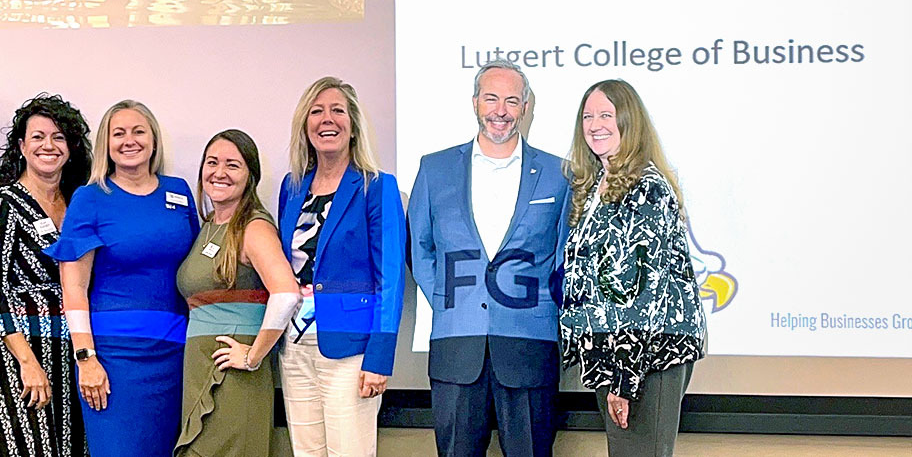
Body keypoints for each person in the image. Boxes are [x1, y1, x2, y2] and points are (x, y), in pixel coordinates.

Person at [407, 60, 570, 457]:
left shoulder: (558, 172)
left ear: (526, 107)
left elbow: (565, 254)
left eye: (512, 101)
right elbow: (419, 246)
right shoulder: (434, 167)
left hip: (530, 342)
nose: (501, 110)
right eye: (492, 98)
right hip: (456, 344)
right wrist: (448, 298)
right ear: (475, 102)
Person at [559, 79, 706, 457]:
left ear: (629, 121)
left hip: (649, 354)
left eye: (606, 114)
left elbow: (646, 292)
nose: (595, 125)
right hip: (615, 351)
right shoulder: (597, 185)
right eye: (588, 116)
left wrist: (624, 379)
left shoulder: (646, 185)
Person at [46, 100, 199, 457]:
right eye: (119, 133)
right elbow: (74, 287)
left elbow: (195, 270)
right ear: (106, 144)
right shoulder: (90, 198)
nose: (129, 141)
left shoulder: (178, 192)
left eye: (138, 131)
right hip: (113, 361)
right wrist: (86, 358)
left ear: (154, 140)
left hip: (176, 357)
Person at [276, 77, 405, 457]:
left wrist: (380, 357)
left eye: (337, 110)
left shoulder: (377, 186)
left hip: (352, 349)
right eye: (316, 111)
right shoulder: (291, 186)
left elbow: (391, 279)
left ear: (353, 126)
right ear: (305, 125)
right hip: (294, 346)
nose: (326, 119)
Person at [0, 95, 92, 457]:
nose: (48, 146)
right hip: (19, 355)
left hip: (68, 352)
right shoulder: (3, 204)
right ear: (22, 146)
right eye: (38, 137)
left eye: (58, 137)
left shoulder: (77, 204)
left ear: (70, 148)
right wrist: (28, 363)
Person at [174, 130, 301, 457]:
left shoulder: (253, 226)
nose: (219, 172)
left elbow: (286, 294)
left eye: (233, 165)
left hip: (232, 376)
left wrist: (253, 355)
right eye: (212, 162)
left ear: (250, 177)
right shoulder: (209, 226)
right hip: (201, 366)